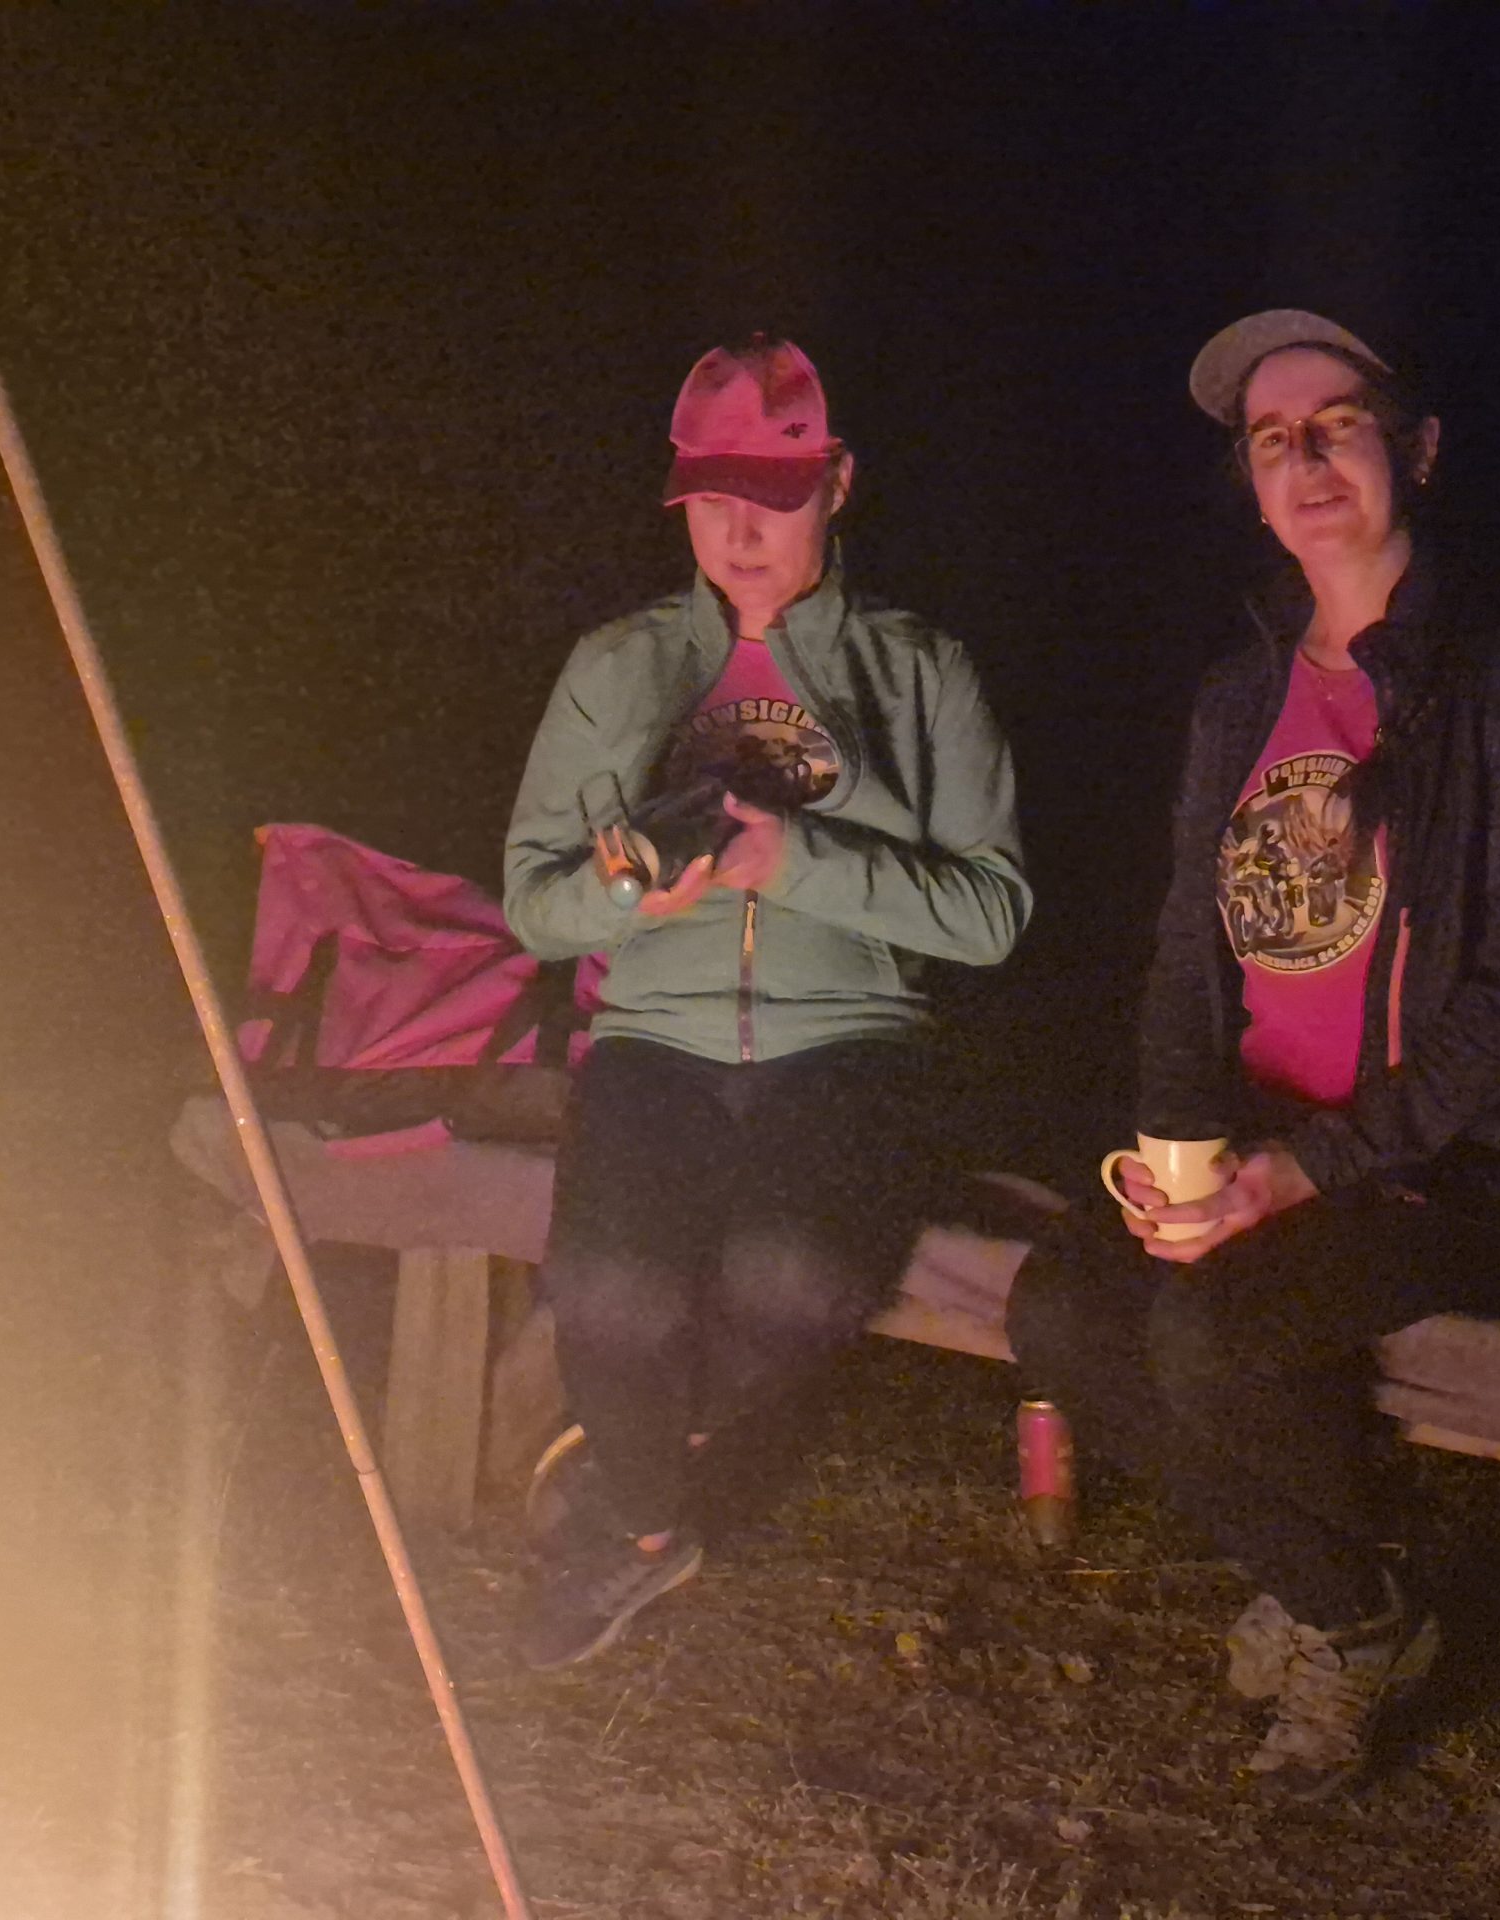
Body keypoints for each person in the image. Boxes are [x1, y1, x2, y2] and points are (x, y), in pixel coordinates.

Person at [1006, 309, 1500, 1794]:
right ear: (1254, 486)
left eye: (1339, 424)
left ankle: (1343, 1614)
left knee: (1207, 1338)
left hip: (1450, 1174)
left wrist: (1306, 1172)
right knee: (1062, 1309)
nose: (1307, 458)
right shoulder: (1241, 694)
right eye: (1273, 439)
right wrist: (1175, 1153)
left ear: (1419, 450)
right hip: (1264, 1147)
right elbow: (1184, 951)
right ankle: (1351, 1596)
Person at [503, 336, 1031, 1670]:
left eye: (775, 497)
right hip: (655, 1040)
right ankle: (643, 1521)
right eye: (710, 498)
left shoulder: (920, 673)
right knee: (609, 1289)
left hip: (849, 1041)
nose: (740, 533)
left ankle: (635, 1469)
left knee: (793, 1277)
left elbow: (992, 913)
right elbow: (533, 903)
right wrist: (634, 894)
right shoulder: (617, 666)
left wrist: (798, 860)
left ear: (838, 484)